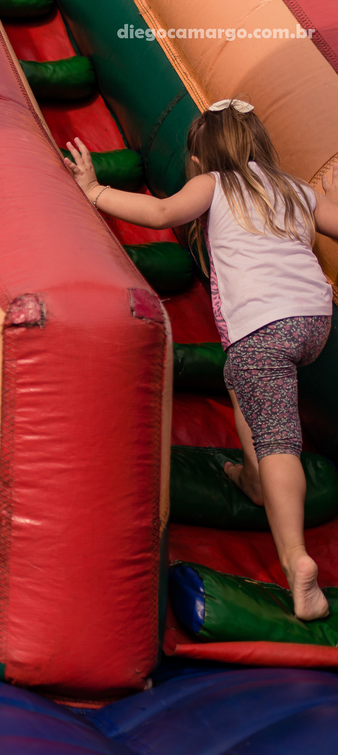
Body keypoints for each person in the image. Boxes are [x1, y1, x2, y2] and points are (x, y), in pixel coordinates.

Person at [64, 98, 338, 620]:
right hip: (312, 322)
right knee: (245, 380)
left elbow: (162, 213)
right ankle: (255, 480)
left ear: (201, 156)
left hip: (264, 326)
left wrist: (95, 190)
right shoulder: (293, 188)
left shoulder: (214, 184)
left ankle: (297, 561)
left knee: (278, 435)